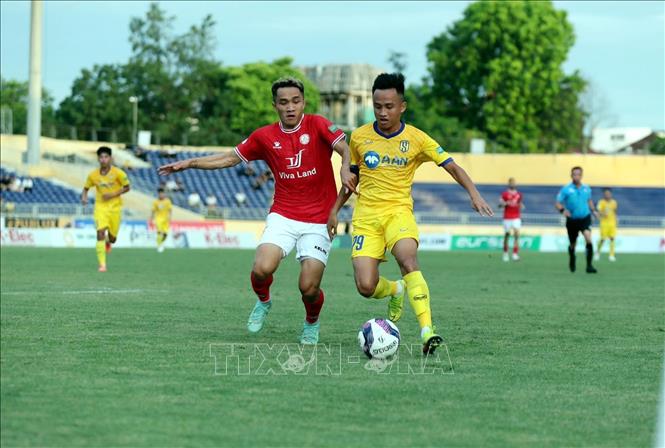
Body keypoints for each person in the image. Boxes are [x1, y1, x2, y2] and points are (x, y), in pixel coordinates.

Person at [159, 77, 355, 344]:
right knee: (262, 268)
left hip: (320, 219)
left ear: (303, 103)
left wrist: (344, 165)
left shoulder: (318, 124)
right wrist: (191, 162)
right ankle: (264, 300)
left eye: (295, 101)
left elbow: (344, 147)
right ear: (275, 105)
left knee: (308, 288)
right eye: (284, 102)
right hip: (284, 214)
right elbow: (229, 158)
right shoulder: (264, 136)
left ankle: (311, 321)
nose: (290, 107)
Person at [327, 73, 493, 356]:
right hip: (366, 217)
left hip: (398, 213)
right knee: (366, 286)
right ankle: (395, 290)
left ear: (402, 106)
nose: (383, 112)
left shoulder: (417, 139)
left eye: (389, 106)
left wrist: (474, 193)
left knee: (407, 258)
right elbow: (351, 179)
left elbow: (452, 166)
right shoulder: (360, 136)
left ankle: (428, 331)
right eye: (378, 106)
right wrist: (334, 211)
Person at [81, 146, 131, 272]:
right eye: (101, 157)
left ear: (110, 158)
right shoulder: (93, 175)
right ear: (98, 159)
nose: (103, 159)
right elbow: (86, 188)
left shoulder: (119, 173)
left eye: (106, 157)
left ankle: (108, 242)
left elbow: (127, 187)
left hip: (115, 208)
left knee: (113, 239)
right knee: (100, 233)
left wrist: (112, 194)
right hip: (100, 207)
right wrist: (84, 197)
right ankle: (102, 265)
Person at [555, 166, 599, 273]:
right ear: (571, 175)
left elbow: (589, 201)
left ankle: (589, 266)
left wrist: (594, 211)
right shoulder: (566, 189)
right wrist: (563, 211)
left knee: (588, 238)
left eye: (578, 174)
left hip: (585, 218)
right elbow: (557, 203)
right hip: (572, 220)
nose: (576, 176)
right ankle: (572, 258)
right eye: (574, 174)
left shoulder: (587, 188)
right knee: (572, 244)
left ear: (581, 175)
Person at [498, 177, 524, 262]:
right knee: (507, 234)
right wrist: (505, 204)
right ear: (509, 184)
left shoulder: (519, 194)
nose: (513, 184)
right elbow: (500, 205)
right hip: (507, 217)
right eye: (511, 182)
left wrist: (521, 206)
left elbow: (520, 204)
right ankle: (505, 253)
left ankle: (515, 254)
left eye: (514, 182)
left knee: (517, 234)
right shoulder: (504, 194)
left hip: (516, 217)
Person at [596, 188, 618, 262]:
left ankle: (611, 255)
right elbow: (598, 212)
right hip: (604, 223)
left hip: (612, 223)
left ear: (611, 194)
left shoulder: (614, 202)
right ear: (604, 194)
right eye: (606, 194)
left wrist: (616, 219)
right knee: (602, 239)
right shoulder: (601, 202)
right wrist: (603, 213)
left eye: (609, 194)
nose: (607, 195)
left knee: (612, 239)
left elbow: (615, 212)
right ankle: (597, 253)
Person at [151, 188, 172, 253]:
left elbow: (170, 210)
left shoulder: (167, 201)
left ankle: (161, 243)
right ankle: (159, 245)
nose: (161, 195)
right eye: (160, 193)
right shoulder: (156, 202)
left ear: (164, 194)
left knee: (165, 234)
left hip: (166, 220)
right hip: (158, 219)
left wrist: (170, 217)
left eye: (162, 193)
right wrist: (151, 218)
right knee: (159, 232)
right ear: (158, 194)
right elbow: (153, 211)